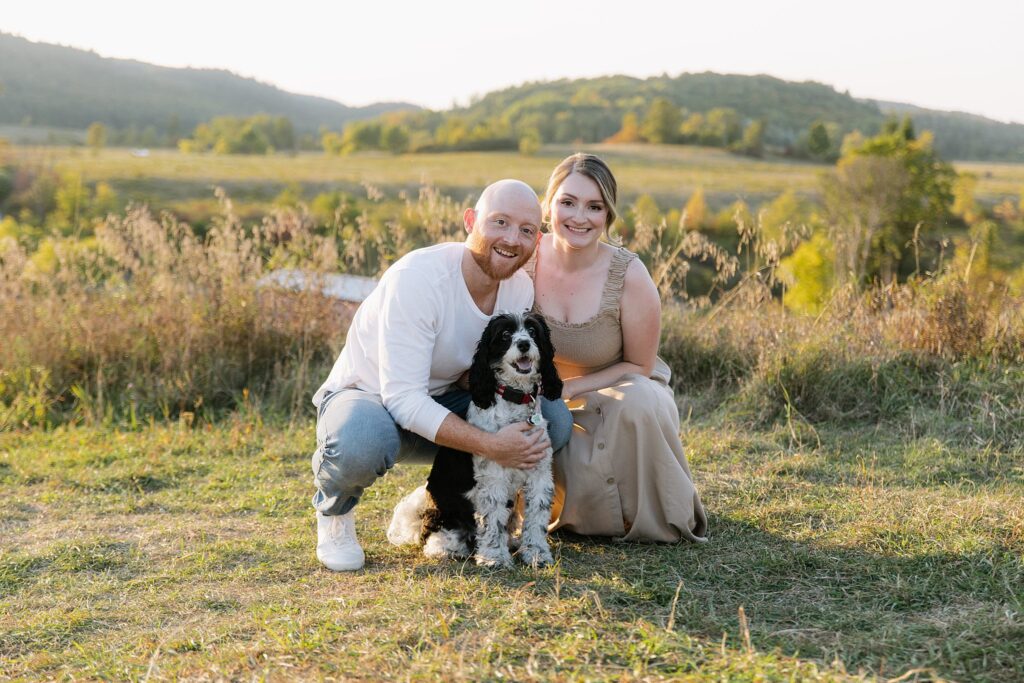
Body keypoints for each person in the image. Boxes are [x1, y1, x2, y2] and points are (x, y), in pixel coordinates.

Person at [311, 179, 574, 571]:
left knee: (552, 420)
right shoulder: (418, 278)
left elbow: (482, 372)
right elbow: (402, 398)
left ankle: (442, 498)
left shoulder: (517, 289)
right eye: (499, 222)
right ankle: (335, 513)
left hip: (445, 397)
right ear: (470, 220)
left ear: (537, 240)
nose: (512, 239)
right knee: (361, 440)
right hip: (371, 398)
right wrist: (491, 443)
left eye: (526, 230)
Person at [527, 153, 708, 543]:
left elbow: (640, 366)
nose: (580, 217)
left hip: (620, 391)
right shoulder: (524, 259)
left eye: (595, 207)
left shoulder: (629, 274)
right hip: (544, 397)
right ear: (548, 205)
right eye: (568, 202)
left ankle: (641, 514)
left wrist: (573, 388)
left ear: (608, 215)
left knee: (638, 403)